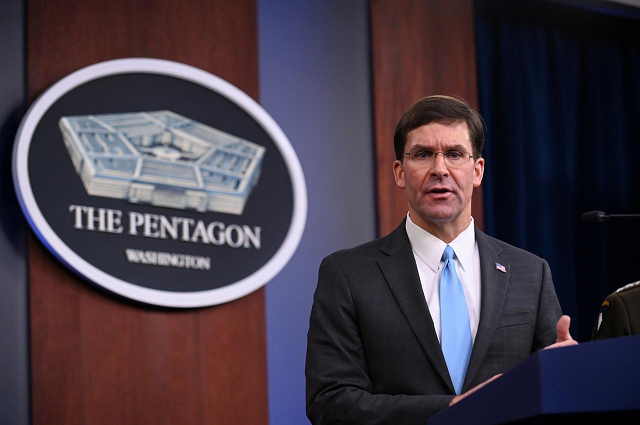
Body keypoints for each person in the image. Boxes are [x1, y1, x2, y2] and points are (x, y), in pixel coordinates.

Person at [305, 95, 577, 424]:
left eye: (454, 154)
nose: (439, 169)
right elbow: (330, 403)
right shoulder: (348, 275)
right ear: (400, 172)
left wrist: (563, 373)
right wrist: (450, 409)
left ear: (477, 171)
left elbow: (558, 396)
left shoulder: (531, 273)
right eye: (423, 155)